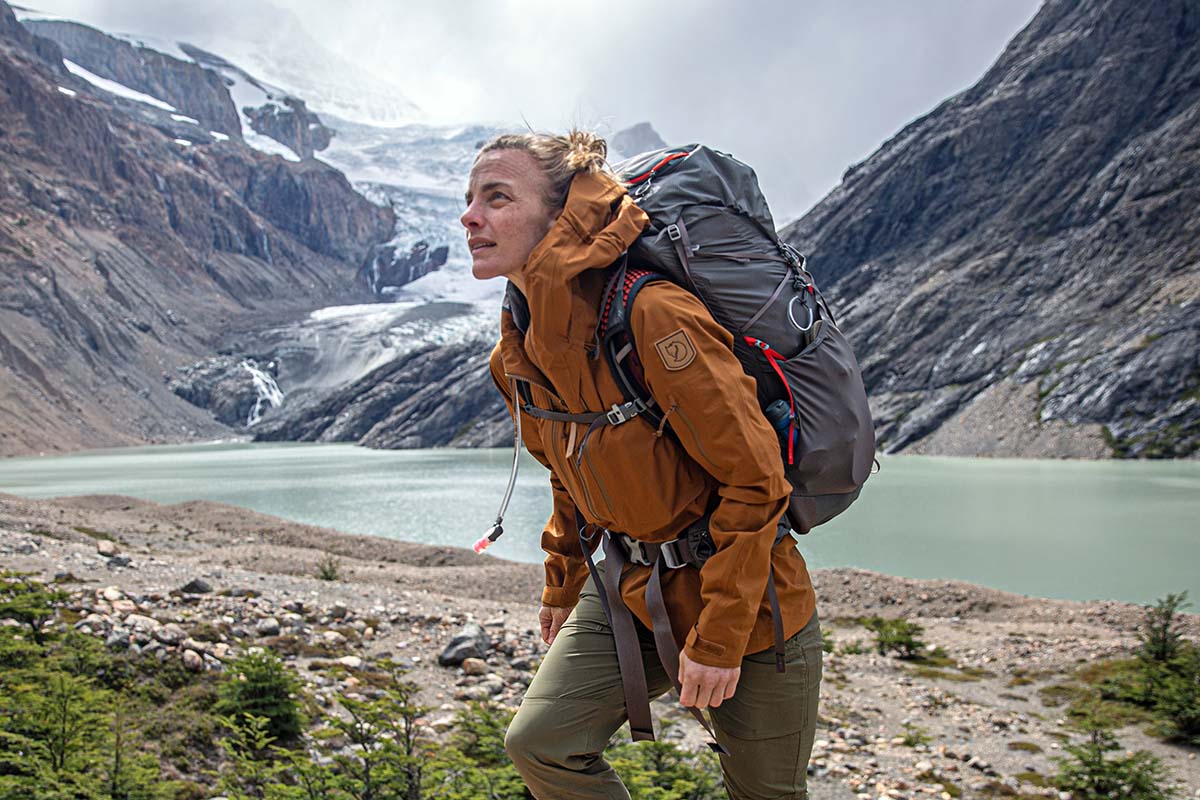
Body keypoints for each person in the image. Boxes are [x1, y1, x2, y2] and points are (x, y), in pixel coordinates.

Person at [461, 129, 822, 800]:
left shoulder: (653, 315)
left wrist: (717, 641)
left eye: (497, 197)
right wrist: (563, 576)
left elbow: (757, 477)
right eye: (470, 198)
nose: (470, 216)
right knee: (540, 744)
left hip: (750, 602)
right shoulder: (515, 352)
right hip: (629, 583)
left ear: (558, 211)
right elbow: (568, 471)